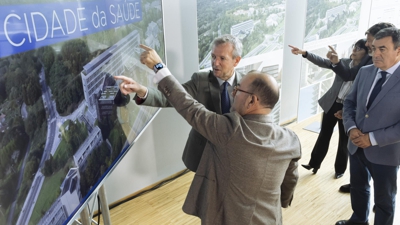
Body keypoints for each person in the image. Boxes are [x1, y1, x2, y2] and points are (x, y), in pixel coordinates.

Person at [115, 44, 302, 224]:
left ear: (252, 100)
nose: (234, 93)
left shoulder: (231, 129)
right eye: (213, 57)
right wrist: (283, 200)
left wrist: (159, 67)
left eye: (238, 91)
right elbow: (290, 180)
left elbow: (188, 106)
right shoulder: (291, 140)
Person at [119, 34, 244, 172]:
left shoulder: (247, 86)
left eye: (222, 58)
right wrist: (141, 90)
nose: (215, 63)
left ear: (236, 61)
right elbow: (170, 97)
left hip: (233, 159)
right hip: (203, 155)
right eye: (213, 56)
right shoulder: (200, 80)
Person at [335, 27, 400, 225]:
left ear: (398, 51)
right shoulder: (365, 72)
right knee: (358, 187)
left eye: (382, 49)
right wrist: (351, 128)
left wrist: (370, 139)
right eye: (373, 48)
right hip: (356, 146)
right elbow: (350, 104)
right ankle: (358, 220)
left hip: (385, 153)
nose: (375, 54)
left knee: (384, 200)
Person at [288, 38, 368, 179]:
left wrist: (347, 111)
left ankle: (340, 170)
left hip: (348, 109)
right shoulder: (342, 62)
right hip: (332, 103)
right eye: (354, 47)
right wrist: (304, 53)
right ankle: (314, 163)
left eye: (359, 49)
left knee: (344, 140)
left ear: (367, 54)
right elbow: (323, 62)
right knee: (324, 133)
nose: (354, 50)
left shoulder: (365, 71)